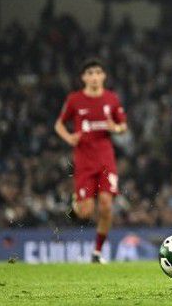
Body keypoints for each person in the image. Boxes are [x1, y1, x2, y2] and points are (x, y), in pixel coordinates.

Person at [54, 58, 127, 264]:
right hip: (84, 161)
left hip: (106, 160)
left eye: (98, 72)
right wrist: (69, 138)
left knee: (105, 206)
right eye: (90, 73)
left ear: (103, 76)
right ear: (83, 77)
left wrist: (116, 128)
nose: (94, 76)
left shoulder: (111, 99)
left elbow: (123, 125)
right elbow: (59, 124)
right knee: (85, 213)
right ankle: (75, 202)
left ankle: (97, 252)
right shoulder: (75, 99)